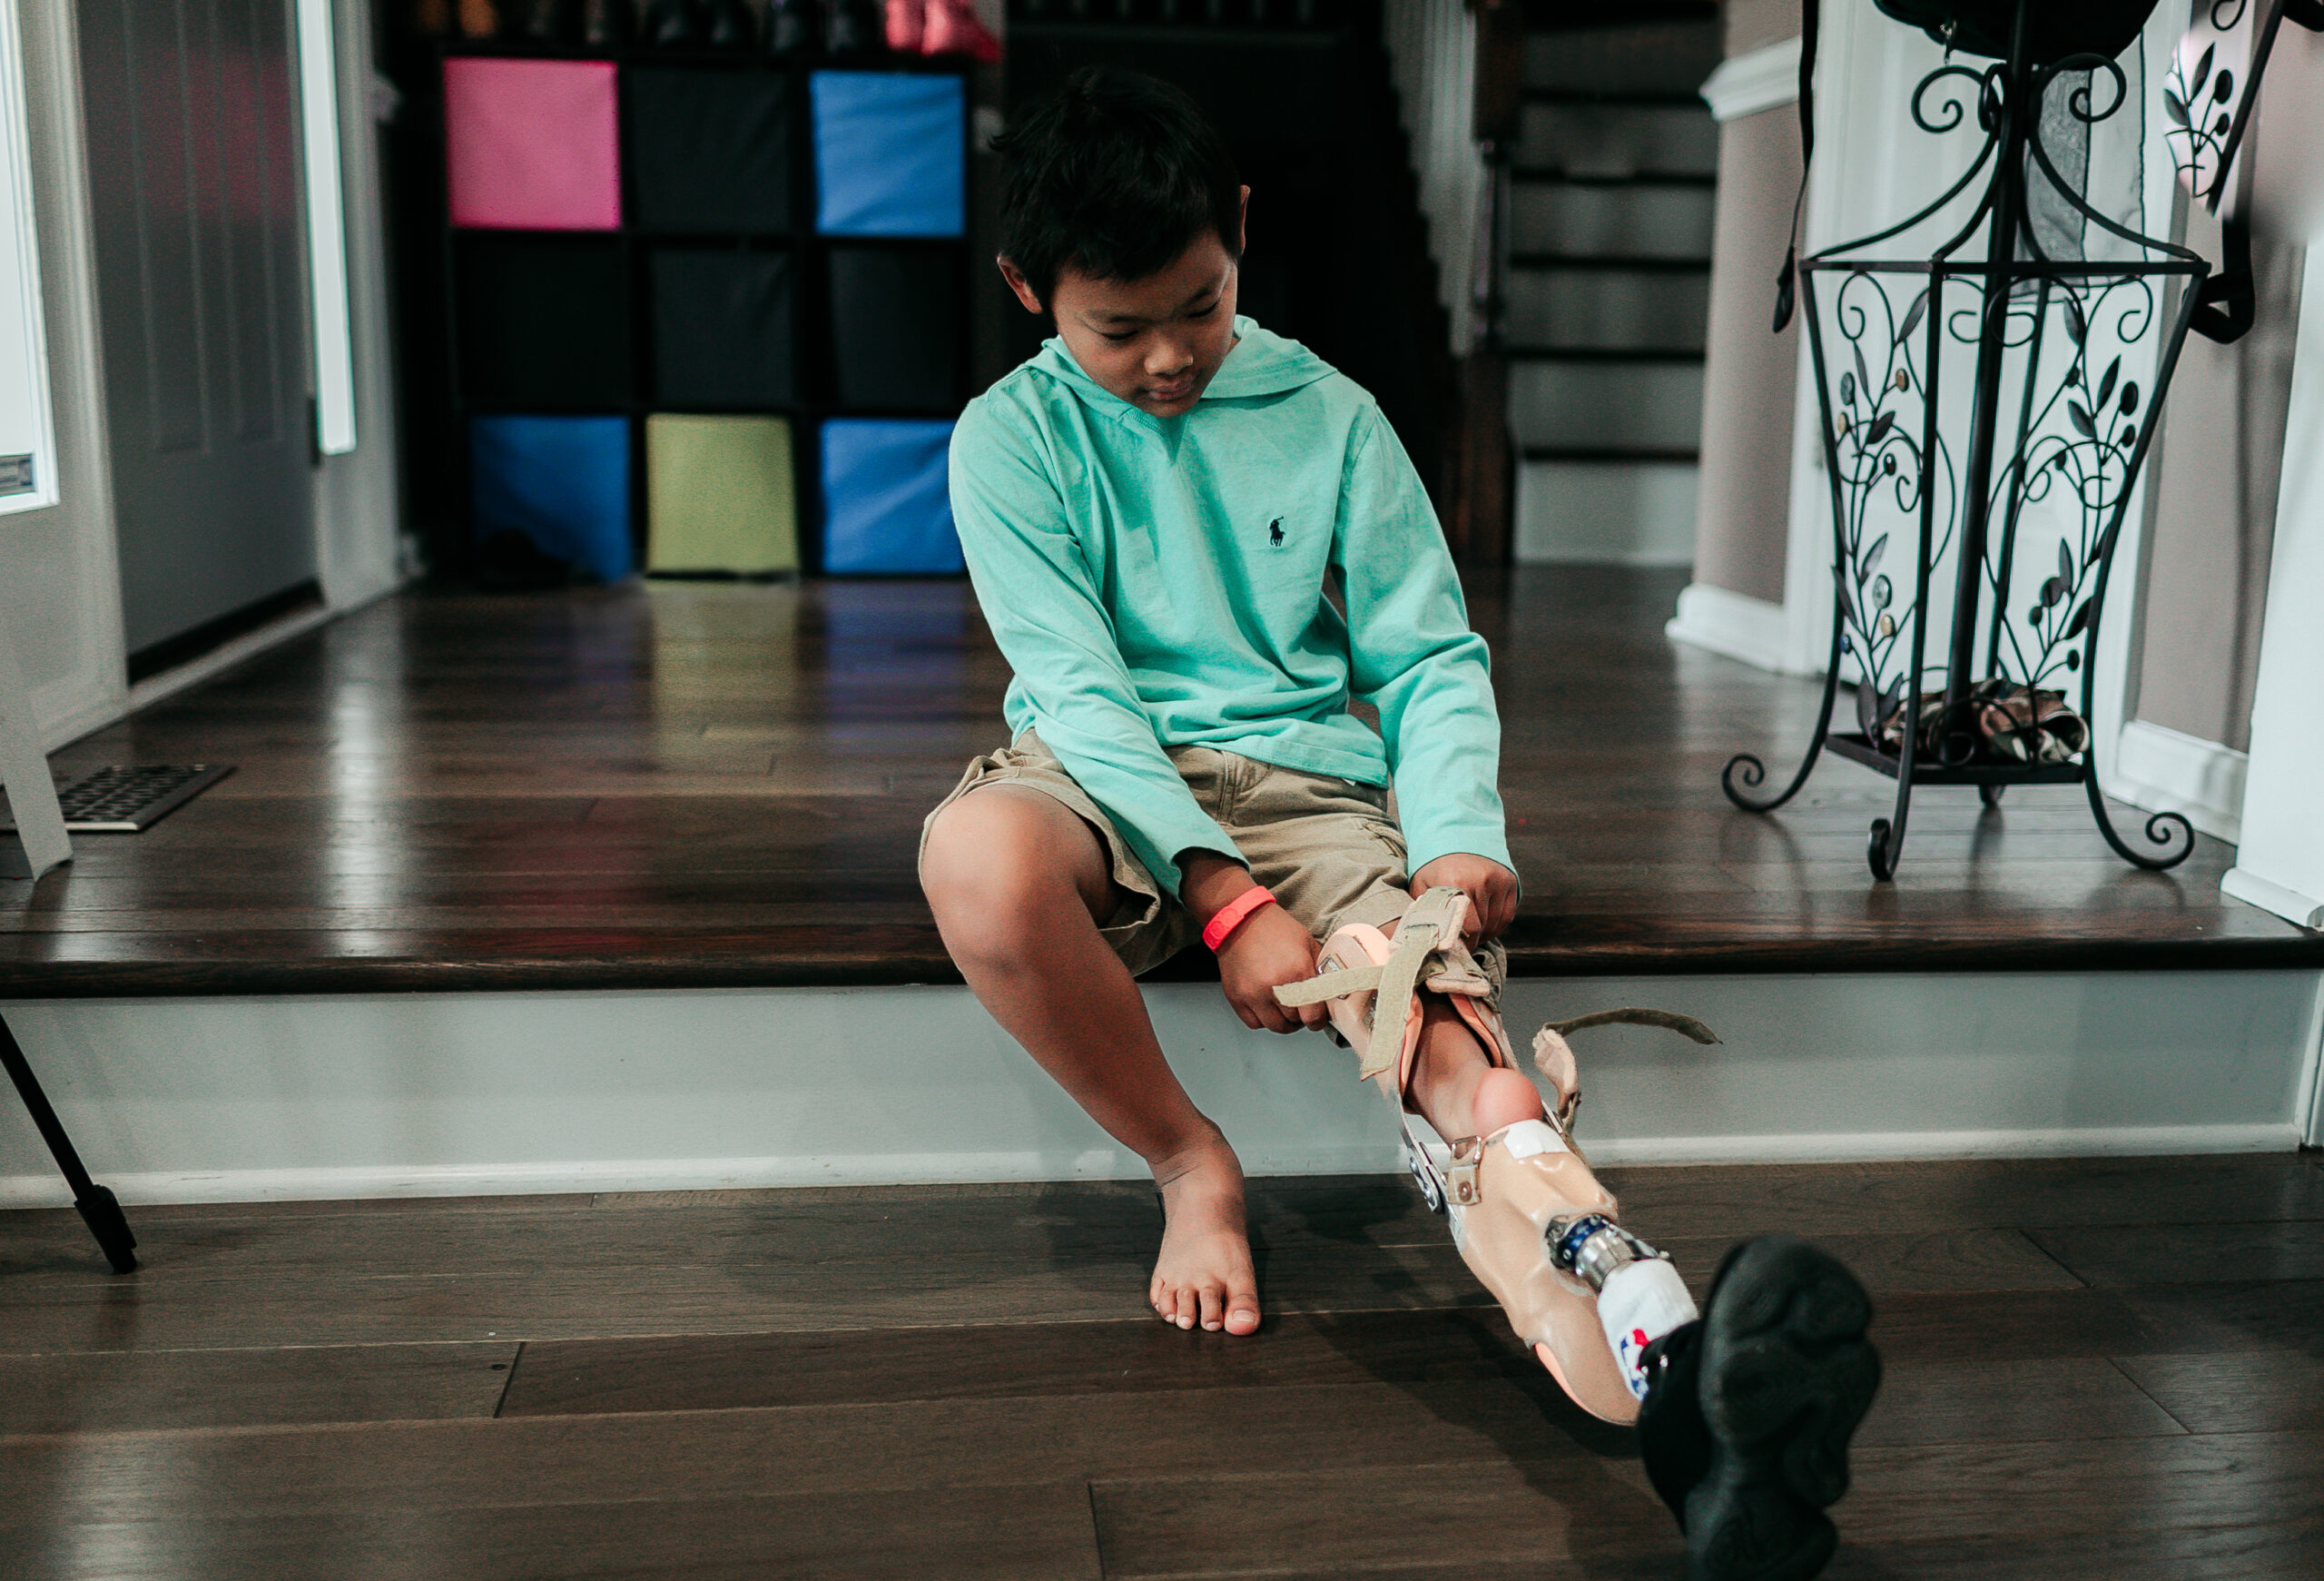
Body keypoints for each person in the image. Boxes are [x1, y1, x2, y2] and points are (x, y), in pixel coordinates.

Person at [919, 67, 1877, 1581]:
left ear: (1239, 235)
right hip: (1099, 779)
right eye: (1120, 330)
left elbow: (1426, 655)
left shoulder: (1334, 416)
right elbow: (1083, 692)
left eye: (1202, 303)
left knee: (1454, 1052)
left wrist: (1450, 836)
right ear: (1030, 291)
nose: (1170, 356)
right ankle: (1191, 1166)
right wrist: (1222, 897)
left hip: (1308, 784)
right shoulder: (1008, 441)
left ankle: (1669, 1360)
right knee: (970, 858)